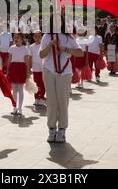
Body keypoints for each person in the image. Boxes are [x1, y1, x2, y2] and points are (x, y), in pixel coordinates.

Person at [39, 15, 83, 143]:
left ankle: (62, 130)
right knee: (51, 101)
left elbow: (80, 52)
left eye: (60, 20)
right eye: (55, 20)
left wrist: (65, 49)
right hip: (49, 70)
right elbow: (41, 54)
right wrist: (50, 45)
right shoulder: (46, 36)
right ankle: (51, 128)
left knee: (63, 101)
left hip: (64, 72)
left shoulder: (68, 37)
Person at [7, 33, 29, 116]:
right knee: (14, 90)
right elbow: (9, 60)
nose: (15, 39)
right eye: (14, 37)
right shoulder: (11, 48)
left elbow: (26, 60)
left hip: (21, 68)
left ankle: (20, 108)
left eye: (18, 38)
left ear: (22, 39)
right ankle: (14, 107)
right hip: (13, 68)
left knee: (20, 89)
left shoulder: (25, 48)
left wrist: (28, 72)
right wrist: (8, 71)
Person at [28, 30, 46, 106]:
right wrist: (29, 68)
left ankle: (41, 97)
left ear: (42, 37)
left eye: (39, 36)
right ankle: (36, 98)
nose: (37, 38)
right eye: (35, 36)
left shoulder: (43, 45)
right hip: (35, 68)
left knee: (42, 83)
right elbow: (30, 57)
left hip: (43, 68)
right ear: (33, 37)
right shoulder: (31, 47)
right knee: (36, 83)